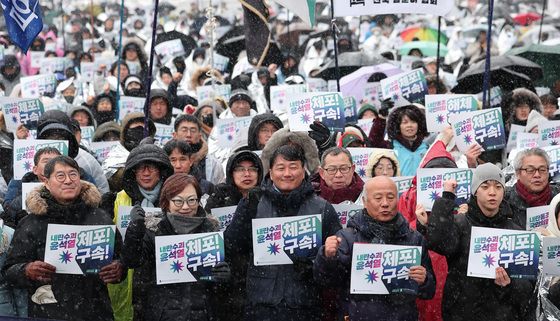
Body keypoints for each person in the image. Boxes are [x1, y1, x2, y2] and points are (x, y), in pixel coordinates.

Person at [225, 145, 342, 320]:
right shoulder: (253, 203)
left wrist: (321, 259)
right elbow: (232, 246)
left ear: (303, 171)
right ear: (271, 173)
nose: (287, 173)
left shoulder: (322, 207)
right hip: (261, 305)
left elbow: (338, 264)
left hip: (306, 305)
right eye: (281, 168)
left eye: (293, 167)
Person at [3, 156, 124, 321]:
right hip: (48, 312)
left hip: (95, 310)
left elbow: (120, 259)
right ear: (46, 182)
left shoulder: (100, 218)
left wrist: (118, 269)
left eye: (73, 174)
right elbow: (10, 271)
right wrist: (26, 270)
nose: (68, 181)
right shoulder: (31, 222)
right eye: (60, 176)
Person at [314, 176, 436, 321]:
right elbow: (326, 280)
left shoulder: (414, 238)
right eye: (378, 198)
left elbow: (429, 291)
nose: (385, 204)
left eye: (390, 197)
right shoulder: (348, 237)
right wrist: (327, 257)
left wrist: (424, 280)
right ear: (365, 202)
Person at [427, 163, 535, 321]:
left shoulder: (515, 232)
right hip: (462, 312)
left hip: (501, 314)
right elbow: (437, 242)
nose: (492, 192)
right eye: (485, 187)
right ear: (475, 191)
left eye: (498, 187)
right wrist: (447, 197)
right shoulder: (460, 224)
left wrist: (509, 284)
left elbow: (527, 288)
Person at [122, 173, 229, 321]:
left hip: (202, 313)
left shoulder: (211, 231)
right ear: (166, 202)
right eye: (178, 201)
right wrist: (135, 227)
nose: (186, 207)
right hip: (161, 313)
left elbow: (219, 289)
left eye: (192, 200)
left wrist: (222, 276)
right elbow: (131, 260)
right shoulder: (154, 230)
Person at [107, 143, 174, 321]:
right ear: (132, 172)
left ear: (160, 170)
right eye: (140, 168)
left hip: (164, 271)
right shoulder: (120, 198)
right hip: (131, 272)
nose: (145, 173)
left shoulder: (175, 195)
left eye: (151, 167)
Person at [2, 147, 61, 228]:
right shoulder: (20, 182)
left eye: (55, 161)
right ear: (35, 170)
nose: (51, 165)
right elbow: (8, 210)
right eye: (46, 161)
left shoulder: (70, 185)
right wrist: (34, 192)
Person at [505, 148, 560, 229]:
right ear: (517, 173)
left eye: (542, 170)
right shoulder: (505, 199)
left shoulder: (557, 197)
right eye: (530, 170)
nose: (537, 175)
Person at [369, 103, 429, 176]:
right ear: (398, 126)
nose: (409, 125)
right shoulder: (391, 146)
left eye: (413, 122)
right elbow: (374, 141)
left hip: (420, 187)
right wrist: (381, 118)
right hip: (398, 186)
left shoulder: (427, 147)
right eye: (405, 122)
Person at [172, 114, 225, 185]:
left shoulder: (213, 164)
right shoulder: (165, 159)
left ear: (200, 136)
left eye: (193, 131)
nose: (188, 135)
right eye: (184, 130)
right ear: (175, 135)